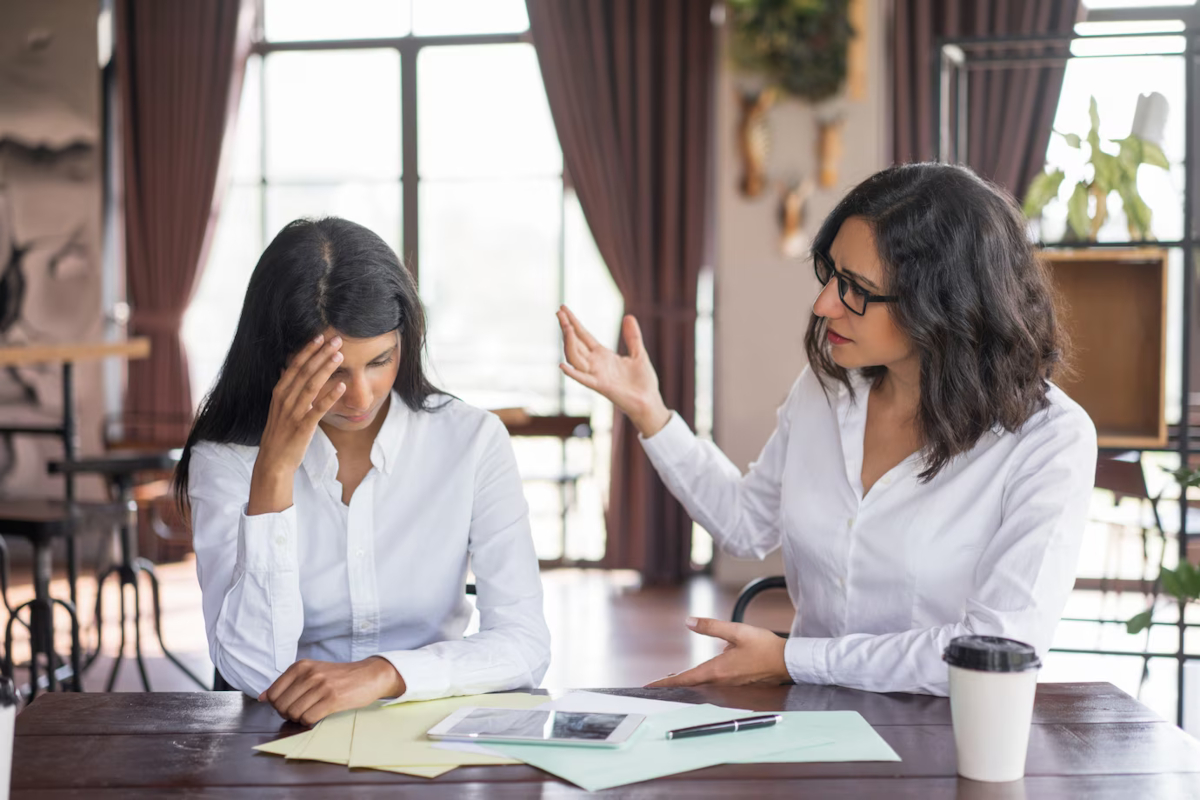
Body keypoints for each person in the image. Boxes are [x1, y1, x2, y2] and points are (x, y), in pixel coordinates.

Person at [557, 162, 1097, 696]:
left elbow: (996, 646)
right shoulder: (827, 390)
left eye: (856, 289)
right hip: (812, 720)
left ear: (945, 304)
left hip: (945, 731)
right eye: (831, 274)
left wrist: (796, 659)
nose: (824, 304)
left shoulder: (1050, 441)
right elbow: (746, 524)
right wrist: (650, 411)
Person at [175, 217, 550, 724]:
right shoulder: (226, 460)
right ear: (278, 359)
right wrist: (274, 474)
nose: (361, 396)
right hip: (284, 739)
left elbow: (525, 644)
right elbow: (255, 671)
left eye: (380, 360)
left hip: (431, 727)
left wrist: (384, 673)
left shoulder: (472, 442)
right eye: (332, 370)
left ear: (404, 342)